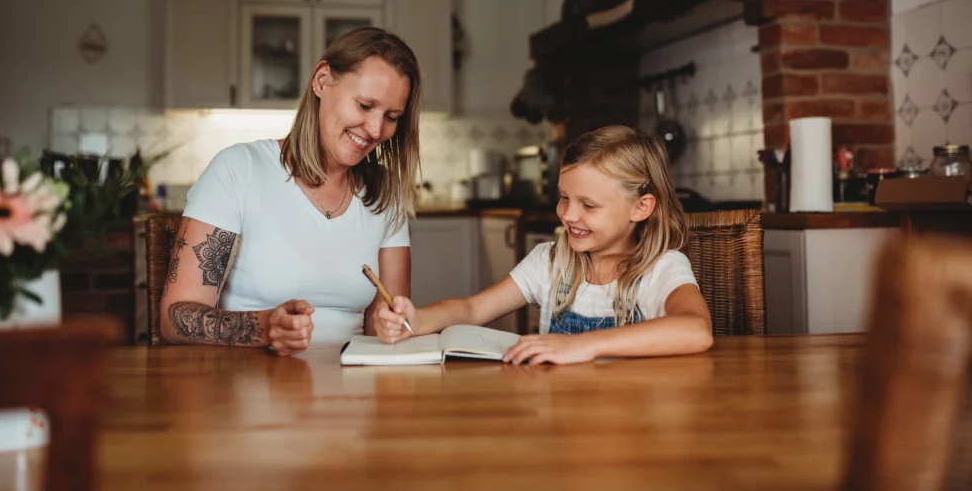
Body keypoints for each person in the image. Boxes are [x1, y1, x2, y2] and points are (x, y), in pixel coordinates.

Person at [160, 27, 422, 356]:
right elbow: (174, 319)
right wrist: (263, 329)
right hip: (246, 390)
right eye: (365, 105)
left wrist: (394, 329)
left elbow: (383, 325)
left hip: (352, 396)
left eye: (391, 117)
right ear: (322, 81)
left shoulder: (386, 194)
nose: (375, 129)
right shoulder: (239, 170)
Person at [375, 125, 712, 365]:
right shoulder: (550, 262)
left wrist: (583, 347)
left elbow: (696, 331)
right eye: (564, 198)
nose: (568, 214)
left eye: (589, 205)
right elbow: (473, 309)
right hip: (560, 421)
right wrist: (417, 320)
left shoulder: (662, 269)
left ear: (641, 208)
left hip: (634, 426)